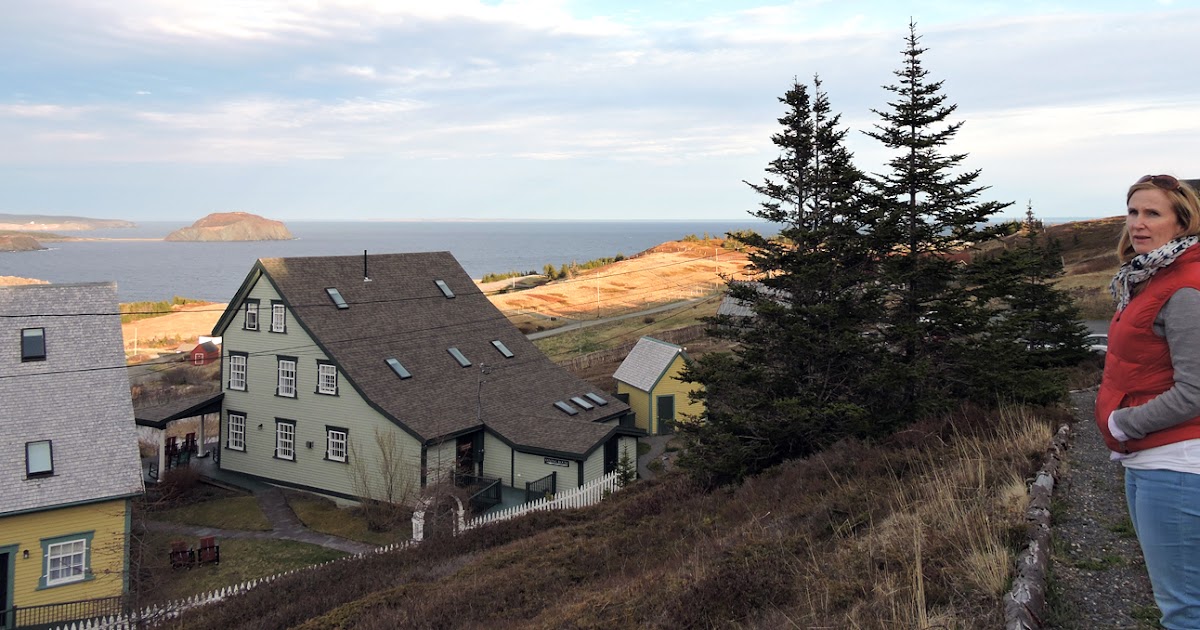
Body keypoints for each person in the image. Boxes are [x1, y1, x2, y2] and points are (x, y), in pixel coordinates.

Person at [1097, 173, 1200, 629]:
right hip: (1148, 462)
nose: (1138, 223)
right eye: (1133, 212)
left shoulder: (1184, 289)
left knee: (1182, 608)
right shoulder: (1147, 276)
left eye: (1153, 213)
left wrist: (1123, 423)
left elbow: (1195, 391)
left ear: (1181, 223)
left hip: (1176, 463)